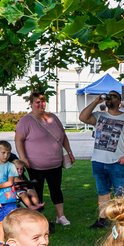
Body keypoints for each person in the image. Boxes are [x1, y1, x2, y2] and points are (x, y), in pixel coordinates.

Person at [15, 92, 74, 226]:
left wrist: (69, 152)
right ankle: (37, 218)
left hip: (55, 163)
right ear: (31, 104)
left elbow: (63, 136)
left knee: (56, 189)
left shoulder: (53, 118)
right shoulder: (26, 121)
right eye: (37, 102)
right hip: (35, 165)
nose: (41, 104)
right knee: (37, 191)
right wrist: (23, 158)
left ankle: (61, 216)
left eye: (43, 101)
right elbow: (18, 140)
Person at [79, 91, 124, 230]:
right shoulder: (99, 116)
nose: (110, 98)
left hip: (118, 162)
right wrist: (96, 101)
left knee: (121, 193)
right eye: (109, 96)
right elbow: (83, 117)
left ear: (119, 101)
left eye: (114, 96)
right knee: (102, 192)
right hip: (98, 161)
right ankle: (102, 220)